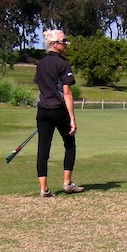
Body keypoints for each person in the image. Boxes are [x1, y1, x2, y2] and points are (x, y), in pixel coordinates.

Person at [34, 29, 83, 197]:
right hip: (58, 110)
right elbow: (67, 93)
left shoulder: (41, 63)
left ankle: (43, 189)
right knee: (70, 145)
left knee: (43, 149)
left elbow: (41, 87)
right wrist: (72, 119)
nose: (66, 43)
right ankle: (67, 183)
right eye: (63, 41)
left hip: (43, 111)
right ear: (54, 44)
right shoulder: (62, 64)